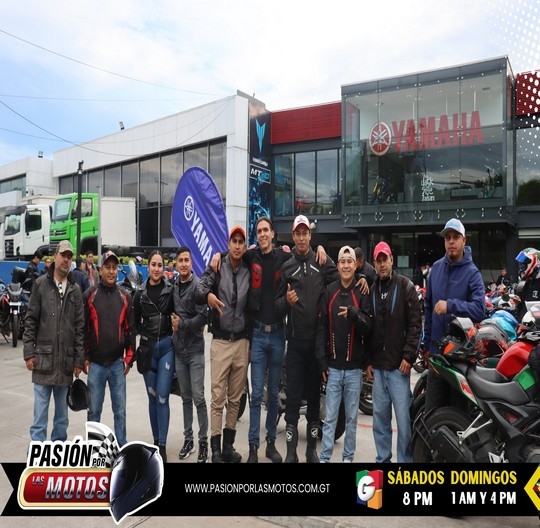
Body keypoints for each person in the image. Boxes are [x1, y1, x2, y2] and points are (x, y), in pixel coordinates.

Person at [275, 215, 339, 463]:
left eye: (305, 233)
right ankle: (291, 451)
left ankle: (311, 449)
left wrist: (364, 278)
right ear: (293, 236)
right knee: (292, 398)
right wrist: (285, 302)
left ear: (310, 236)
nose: (302, 237)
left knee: (314, 397)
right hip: (295, 344)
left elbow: (345, 279)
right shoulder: (287, 267)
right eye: (297, 233)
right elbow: (277, 304)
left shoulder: (322, 261)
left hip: (317, 344)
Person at [195, 226, 250, 463]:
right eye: (233, 241)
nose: (237, 245)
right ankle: (215, 449)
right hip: (220, 341)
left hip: (242, 343)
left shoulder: (250, 267)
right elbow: (198, 290)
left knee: (235, 399)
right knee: (218, 398)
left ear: (245, 246)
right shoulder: (216, 266)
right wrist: (208, 296)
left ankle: (228, 446)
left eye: (241, 242)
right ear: (228, 244)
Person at [23, 240, 85, 442]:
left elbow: (79, 328)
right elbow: (31, 319)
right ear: (55, 257)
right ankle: (36, 460)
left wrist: (78, 360)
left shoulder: (75, 290)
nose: (66, 260)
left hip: (65, 365)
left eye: (69, 257)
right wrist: (28, 353)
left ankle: (56, 461)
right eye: (63, 255)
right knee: (39, 418)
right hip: (42, 362)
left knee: (61, 420)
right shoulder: (41, 284)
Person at [316, 245, 372, 463]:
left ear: (354, 264)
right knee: (329, 419)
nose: (346, 265)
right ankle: (325, 459)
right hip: (333, 369)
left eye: (350, 261)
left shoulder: (362, 290)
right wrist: (322, 361)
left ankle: (348, 459)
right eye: (342, 261)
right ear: (338, 265)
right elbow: (321, 327)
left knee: (351, 420)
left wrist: (354, 314)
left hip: (354, 370)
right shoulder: (330, 291)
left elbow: (369, 327)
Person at [366, 241, 422, 463]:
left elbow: (416, 325)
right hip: (378, 369)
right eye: (378, 261)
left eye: (385, 259)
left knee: (404, 422)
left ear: (392, 260)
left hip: (399, 369)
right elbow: (368, 331)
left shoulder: (406, 287)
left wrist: (409, 357)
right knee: (380, 421)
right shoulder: (370, 290)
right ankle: (383, 462)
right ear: (374, 263)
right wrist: (368, 362)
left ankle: (405, 463)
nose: (382, 264)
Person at [423, 218, 486, 412]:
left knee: (458, 416)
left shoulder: (472, 273)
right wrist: (426, 347)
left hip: (460, 359)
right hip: (437, 357)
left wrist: (450, 306)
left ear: (463, 241)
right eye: (447, 237)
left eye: (455, 237)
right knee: (431, 413)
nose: (451, 241)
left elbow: (479, 309)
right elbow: (428, 308)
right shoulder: (435, 270)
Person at [83, 250, 136, 447]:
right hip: (95, 365)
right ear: (101, 269)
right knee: (93, 410)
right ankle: (92, 448)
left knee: (120, 410)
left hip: (116, 365)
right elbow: (83, 329)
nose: (111, 272)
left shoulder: (125, 296)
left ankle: (122, 444)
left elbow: (131, 330)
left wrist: (129, 358)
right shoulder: (89, 295)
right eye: (108, 267)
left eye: (114, 268)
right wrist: (85, 357)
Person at [132, 250, 175, 462]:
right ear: (148, 267)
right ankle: (156, 441)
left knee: (162, 397)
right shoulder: (139, 293)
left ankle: (163, 446)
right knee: (152, 397)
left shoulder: (171, 289)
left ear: (163, 267)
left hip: (167, 348)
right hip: (147, 351)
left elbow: (178, 314)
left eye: (160, 265)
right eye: (153, 265)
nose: (157, 269)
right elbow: (134, 323)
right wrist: (145, 337)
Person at [171, 246, 209, 463]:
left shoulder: (197, 286)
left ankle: (203, 442)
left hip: (195, 351)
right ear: (176, 264)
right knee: (185, 398)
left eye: (187, 260)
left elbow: (203, 318)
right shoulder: (175, 284)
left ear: (191, 263)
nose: (184, 263)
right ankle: (189, 440)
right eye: (180, 260)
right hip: (179, 351)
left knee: (198, 398)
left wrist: (182, 325)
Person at [515, 247, 540, 321]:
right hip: (523, 324)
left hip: (535, 327)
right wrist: (518, 301)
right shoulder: (528, 282)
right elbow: (523, 304)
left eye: (525, 264)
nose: (522, 267)